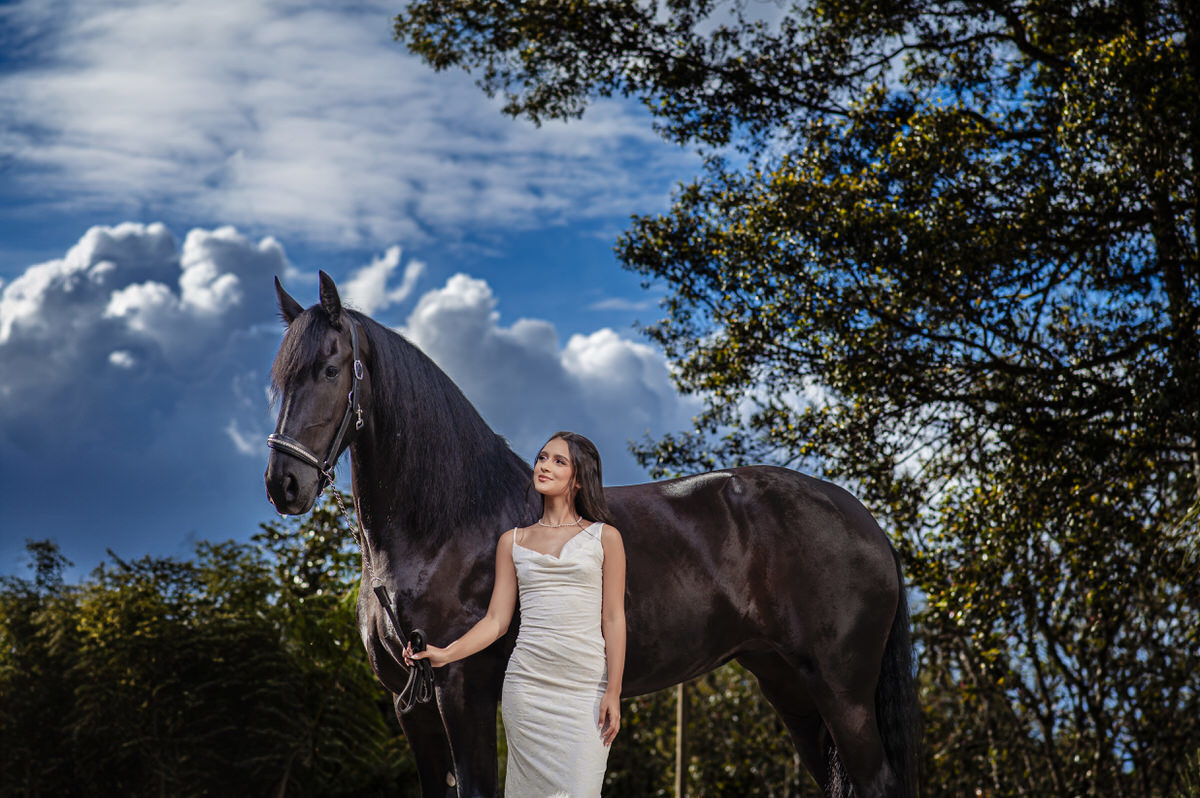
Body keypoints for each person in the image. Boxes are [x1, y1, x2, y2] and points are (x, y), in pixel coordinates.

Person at [404, 430, 627, 797]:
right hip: (528, 687)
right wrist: (444, 654)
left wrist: (614, 691)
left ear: (579, 479)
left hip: (585, 688)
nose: (544, 466)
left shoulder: (605, 538)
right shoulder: (513, 541)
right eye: (542, 457)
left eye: (559, 461)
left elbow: (614, 619)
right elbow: (496, 622)